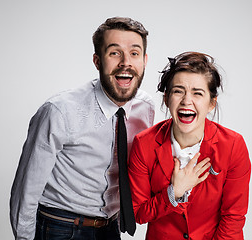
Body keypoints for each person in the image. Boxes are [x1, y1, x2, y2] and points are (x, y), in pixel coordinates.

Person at [10, 17, 154, 240]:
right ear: (97, 61)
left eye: (134, 53)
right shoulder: (59, 111)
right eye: (114, 53)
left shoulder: (145, 108)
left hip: (110, 227)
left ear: (144, 60)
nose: (126, 62)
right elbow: (26, 190)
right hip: (61, 227)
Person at [128, 52, 251, 239]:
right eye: (178, 91)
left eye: (197, 93)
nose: (187, 101)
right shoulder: (143, 144)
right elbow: (138, 213)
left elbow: (233, 218)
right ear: (166, 99)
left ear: (211, 103)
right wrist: (174, 192)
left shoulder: (233, 145)